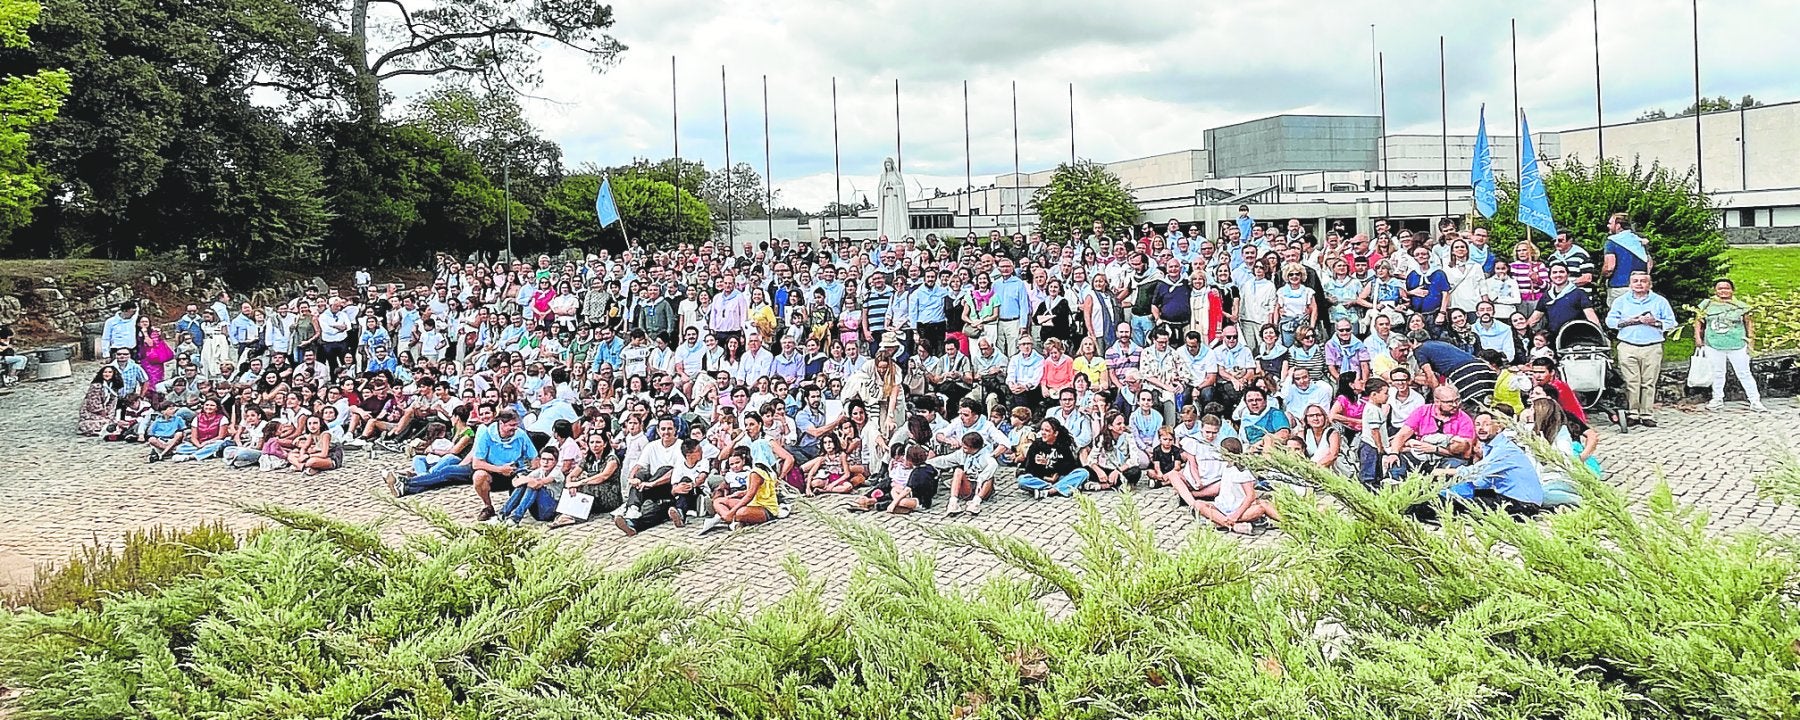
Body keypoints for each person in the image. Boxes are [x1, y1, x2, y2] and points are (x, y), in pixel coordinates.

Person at [1604, 270, 1678, 427]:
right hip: (1627, 345)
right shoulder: (1621, 301)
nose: (1639, 284)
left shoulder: (1659, 301)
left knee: (1649, 382)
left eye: (1643, 281)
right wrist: (1629, 321)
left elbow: (1671, 322)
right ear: (1630, 284)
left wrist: (1654, 322)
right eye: (1635, 281)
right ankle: (1633, 413)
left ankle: (1646, 414)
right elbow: (1610, 321)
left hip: (1652, 346)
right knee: (1632, 382)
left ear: (1649, 284)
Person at [1694, 278, 1767, 412]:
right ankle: (1717, 399)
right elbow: (1698, 321)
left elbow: (1749, 322)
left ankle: (1755, 400)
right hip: (1713, 343)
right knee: (1717, 372)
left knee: (1744, 372)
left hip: (1737, 342)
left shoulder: (1741, 306)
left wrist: (1750, 339)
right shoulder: (1707, 304)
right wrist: (1698, 337)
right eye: (1720, 288)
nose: (1723, 291)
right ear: (1715, 290)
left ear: (1732, 290)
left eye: (1726, 288)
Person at [1017, 416, 1088, 498]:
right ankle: (1059, 488)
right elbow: (1029, 469)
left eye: (1047, 431)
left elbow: (1070, 467)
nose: (1043, 433)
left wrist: (1049, 464)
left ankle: (1049, 491)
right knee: (1022, 480)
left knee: (1083, 472)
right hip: (1042, 479)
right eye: (1042, 430)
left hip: (1060, 478)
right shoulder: (1036, 445)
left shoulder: (1063, 445)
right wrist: (1046, 478)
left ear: (1055, 433)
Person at [1602, 212, 1653, 306]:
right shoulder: (1639, 240)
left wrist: (1602, 277)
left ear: (1618, 226)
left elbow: (1609, 267)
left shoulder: (1612, 241)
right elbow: (1649, 264)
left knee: (1620, 318)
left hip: (1619, 287)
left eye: (1610, 223)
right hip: (1641, 287)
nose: (1608, 226)